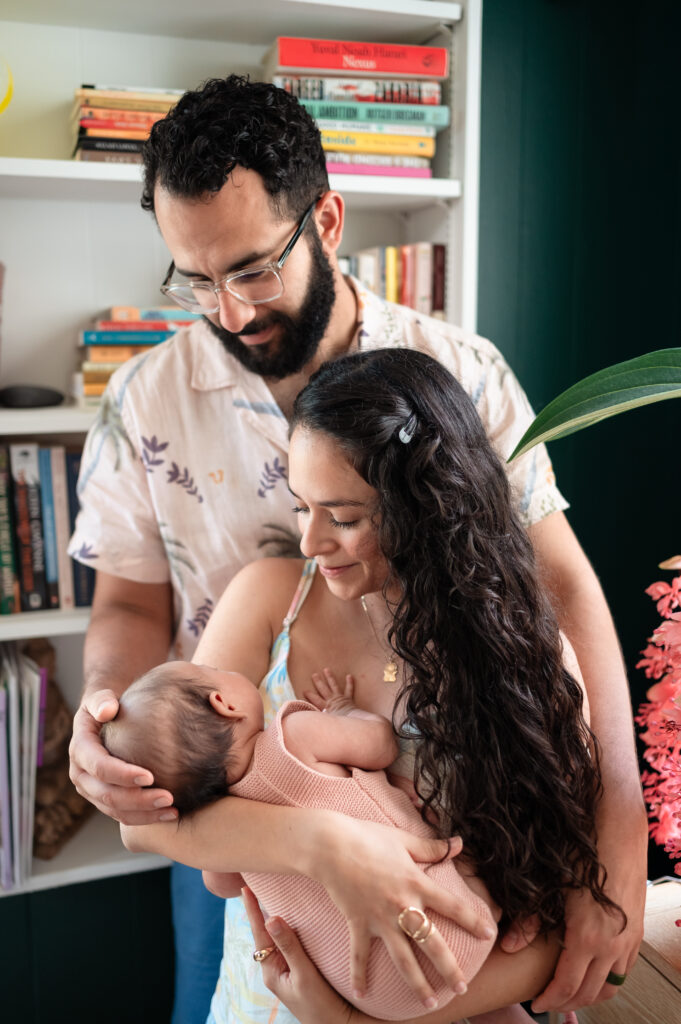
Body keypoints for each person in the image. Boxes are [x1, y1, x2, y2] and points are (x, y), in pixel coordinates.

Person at [67, 75, 646, 1023]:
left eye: (252, 270)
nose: (227, 310)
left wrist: (617, 824)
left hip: (461, 797)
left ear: (326, 222)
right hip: (219, 782)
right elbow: (128, 607)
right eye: (194, 277)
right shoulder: (145, 401)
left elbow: (558, 587)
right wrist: (126, 739)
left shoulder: (461, 375)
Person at [121, 348, 605, 1024]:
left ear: (428, 509)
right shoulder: (268, 599)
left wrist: (351, 1023)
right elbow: (155, 822)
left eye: (343, 517)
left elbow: (560, 922)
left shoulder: (522, 653)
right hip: (265, 1001)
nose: (312, 542)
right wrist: (331, 847)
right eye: (299, 507)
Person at [101, 659, 503, 1019]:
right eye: (214, 671)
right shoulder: (292, 736)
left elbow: (220, 884)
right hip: (456, 927)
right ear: (224, 702)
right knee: (458, 840)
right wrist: (344, 711)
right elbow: (381, 746)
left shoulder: (225, 833)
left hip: (369, 995)